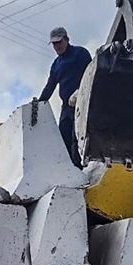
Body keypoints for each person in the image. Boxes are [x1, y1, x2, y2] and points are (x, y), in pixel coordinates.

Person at [37, 26, 92, 167]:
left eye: (59, 42)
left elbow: (91, 75)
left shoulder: (80, 53)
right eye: (54, 44)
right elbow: (50, 86)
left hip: (83, 104)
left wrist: (80, 91)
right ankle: (69, 170)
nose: (57, 46)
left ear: (66, 39)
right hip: (66, 108)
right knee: (64, 139)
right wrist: (38, 104)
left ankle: (81, 169)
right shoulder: (56, 64)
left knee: (77, 140)